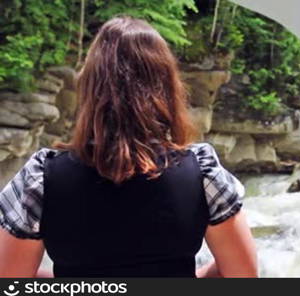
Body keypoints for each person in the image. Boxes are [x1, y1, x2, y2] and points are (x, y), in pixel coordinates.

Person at [0, 16, 257, 278]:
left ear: (90, 87)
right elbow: (243, 274)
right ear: (166, 87)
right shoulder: (202, 171)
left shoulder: (41, 177)